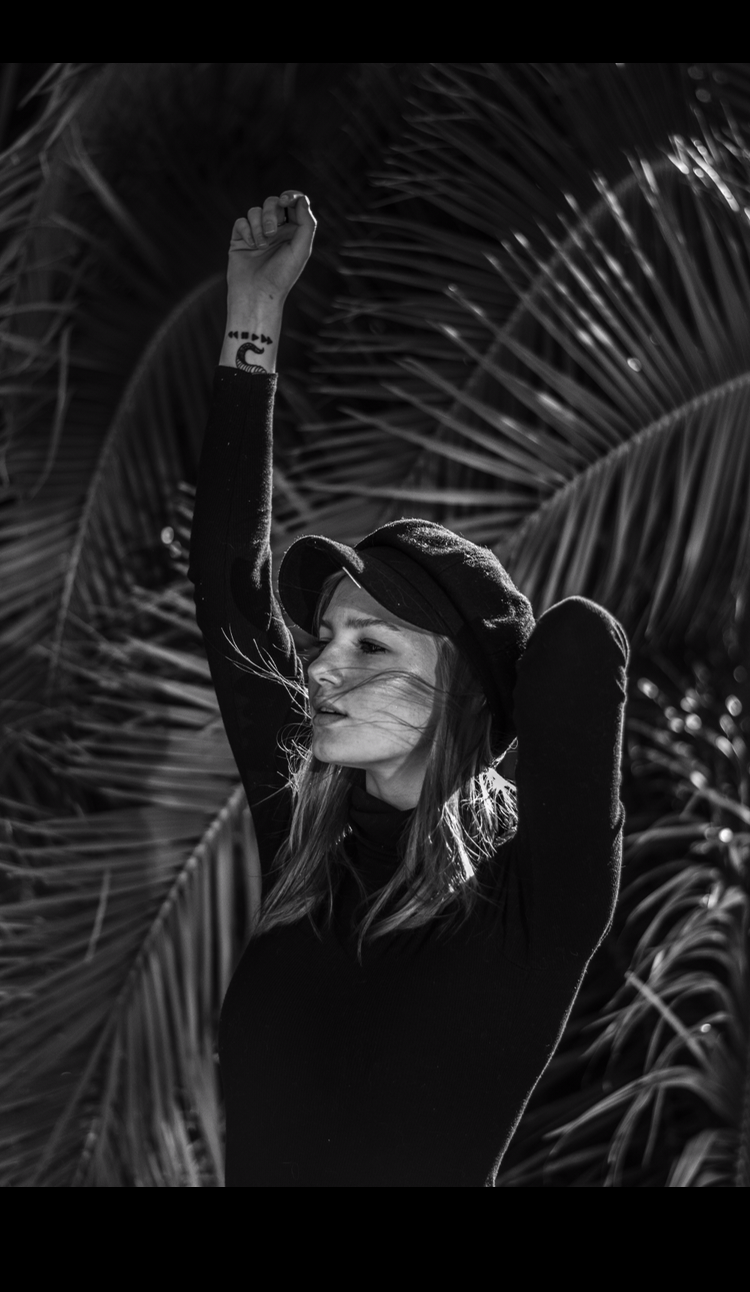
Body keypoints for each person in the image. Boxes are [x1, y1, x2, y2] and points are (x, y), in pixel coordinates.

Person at [188, 191, 630, 1188]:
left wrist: (491, 675)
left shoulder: (537, 902)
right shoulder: (304, 842)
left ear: (462, 689)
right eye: (326, 636)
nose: (321, 665)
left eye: (372, 644)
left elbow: (577, 647)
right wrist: (254, 311)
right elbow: (229, 582)